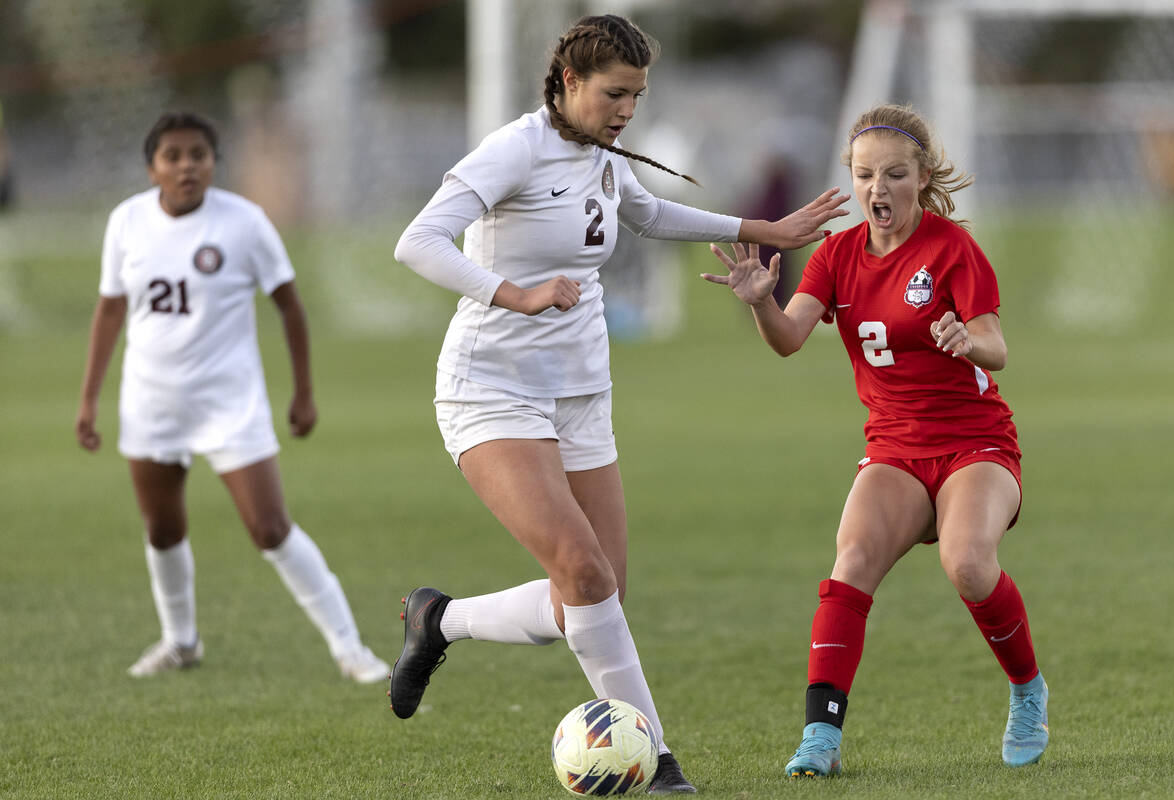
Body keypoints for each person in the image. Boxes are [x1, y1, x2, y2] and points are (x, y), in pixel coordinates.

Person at [390, 14, 848, 795]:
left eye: (636, 95)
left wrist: (760, 226)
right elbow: (419, 242)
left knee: (592, 598)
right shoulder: (515, 147)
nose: (626, 110)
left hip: (583, 393)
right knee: (583, 571)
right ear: (568, 83)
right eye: (614, 93)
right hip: (492, 388)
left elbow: (643, 211)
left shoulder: (599, 152)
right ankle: (659, 760)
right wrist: (514, 293)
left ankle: (440, 620)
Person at [703, 103, 1049, 777]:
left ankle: (1027, 690)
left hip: (974, 444)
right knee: (851, 561)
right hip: (894, 448)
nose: (877, 189)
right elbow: (789, 341)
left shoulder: (952, 248)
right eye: (865, 176)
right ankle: (820, 740)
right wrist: (760, 304)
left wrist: (965, 338)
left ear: (921, 178)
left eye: (894, 174)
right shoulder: (835, 254)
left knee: (970, 566)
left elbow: (997, 347)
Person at [75, 111, 390, 684]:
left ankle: (351, 649)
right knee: (163, 529)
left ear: (215, 163)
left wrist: (304, 394)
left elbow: (289, 305)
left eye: (199, 154)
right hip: (151, 401)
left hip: (231, 402)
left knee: (269, 527)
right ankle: (181, 642)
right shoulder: (126, 222)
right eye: (172, 156)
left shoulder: (244, 223)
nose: (187, 165)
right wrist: (88, 400)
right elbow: (111, 308)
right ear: (152, 168)